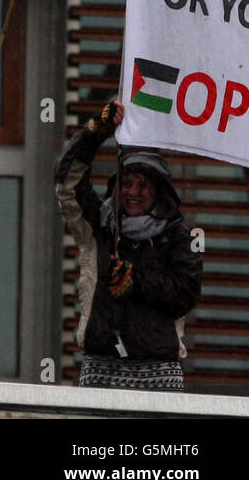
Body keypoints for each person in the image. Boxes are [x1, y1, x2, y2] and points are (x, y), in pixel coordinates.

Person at [55, 100, 201, 390]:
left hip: (159, 374)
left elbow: (184, 296)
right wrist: (96, 130)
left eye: (143, 186)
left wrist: (135, 278)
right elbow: (67, 184)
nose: (133, 192)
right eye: (127, 183)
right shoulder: (99, 226)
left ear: (159, 192)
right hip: (100, 369)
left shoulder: (179, 237)